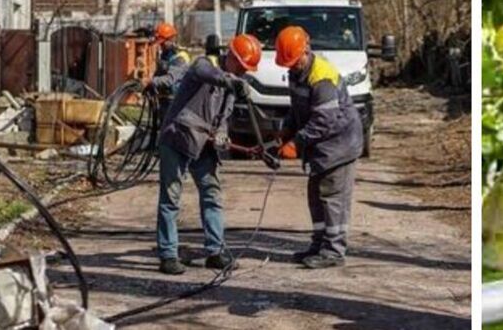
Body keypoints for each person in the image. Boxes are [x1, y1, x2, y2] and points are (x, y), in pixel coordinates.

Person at [150, 32, 262, 275]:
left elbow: (224, 116)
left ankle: (215, 251)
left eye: (245, 70)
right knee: (171, 198)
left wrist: (222, 133)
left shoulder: (232, 83)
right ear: (230, 55)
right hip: (177, 138)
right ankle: (168, 255)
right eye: (241, 66)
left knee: (212, 195)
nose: (242, 73)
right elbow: (208, 75)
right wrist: (230, 81)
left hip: (203, 145)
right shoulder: (204, 64)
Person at [275, 26, 365, 269]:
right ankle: (319, 244)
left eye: (294, 61)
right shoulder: (296, 73)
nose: (291, 67)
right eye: (288, 64)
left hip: (340, 144)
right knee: (315, 196)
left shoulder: (321, 76)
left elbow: (324, 120)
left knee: (332, 197)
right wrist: (287, 128)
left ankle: (334, 249)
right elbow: (298, 108)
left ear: (306, 50)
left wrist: (297, 141)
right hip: (322, 145)